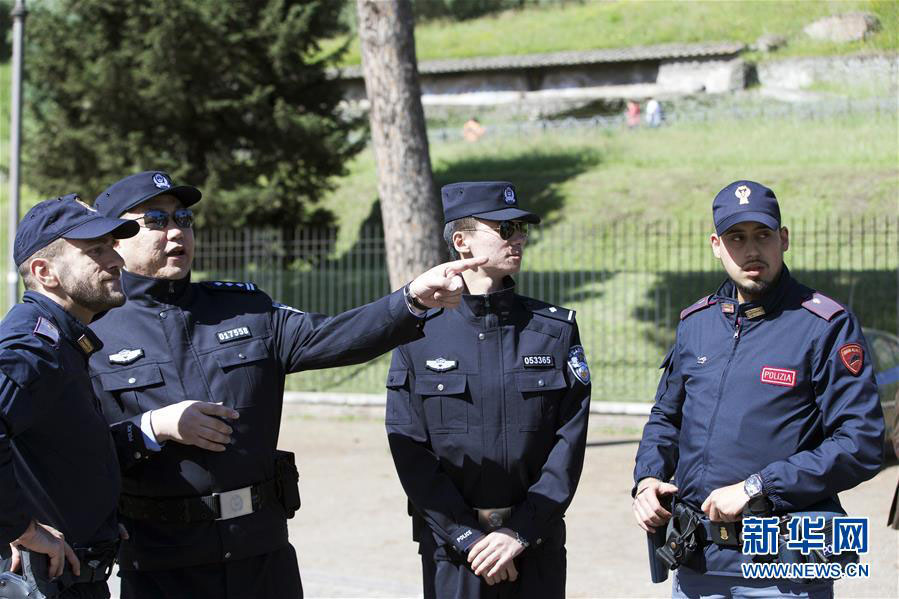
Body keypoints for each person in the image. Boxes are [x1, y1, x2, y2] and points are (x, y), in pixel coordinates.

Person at [86, 170, 485, 599]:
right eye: (156, 220)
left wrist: (412, 298)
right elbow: (73, 453)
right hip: (162, 564)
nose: (176, 231)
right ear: (115, 240)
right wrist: (154, 427)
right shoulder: (93, 334)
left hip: (261, 555)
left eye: (183, 218)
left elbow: (334, 336)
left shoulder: (242, 308)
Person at [632, 180, 884, 597]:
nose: (751, 250)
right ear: (716, 245)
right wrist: (648, 478)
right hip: (697, 563)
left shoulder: (824, 326)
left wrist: (759, 487)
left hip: (783, 570)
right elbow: (666, 417)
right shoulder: (696, 323)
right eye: (736, 237)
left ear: (783, 239)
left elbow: (861, 443)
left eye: (762, 235)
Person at [385, 181, 592, 598]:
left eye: (521, 229)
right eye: (504, 229)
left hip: (535, 546)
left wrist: (520, 532)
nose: (518, 238)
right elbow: (410, 449)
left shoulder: (553, 331)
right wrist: (467, 538)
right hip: (453, 552)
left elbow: (568, 444)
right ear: (461, 242)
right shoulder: (418, 334)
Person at [0, 195, 146, 598]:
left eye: (112, 247)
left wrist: (94, 518)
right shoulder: (34, 343)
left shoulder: (64, 341)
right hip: (43, 584)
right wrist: (19, 527)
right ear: (44, 272)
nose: (116, 261)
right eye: (96, 251)